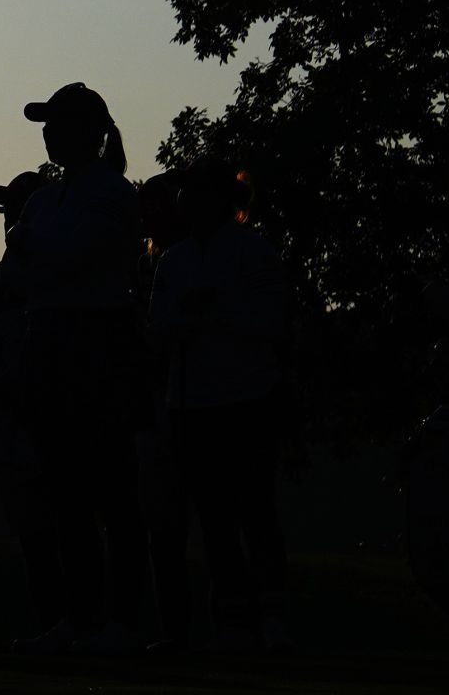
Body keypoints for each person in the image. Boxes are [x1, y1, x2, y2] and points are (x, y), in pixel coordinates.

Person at [7, 81, 150, 654]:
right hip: (52, 338)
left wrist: (37, 246)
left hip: (99, 341)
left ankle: (121, 621)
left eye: (58, 124)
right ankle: (80, 616)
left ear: (87, 133)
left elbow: (66, 254)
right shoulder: (48, 199)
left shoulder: (112, 192)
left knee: (112, 488)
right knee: (65, 489)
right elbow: (21, 262)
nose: (47, 135)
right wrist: (41, 247)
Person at [148, 163, 293, 649]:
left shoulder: (255, 254)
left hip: (247, 398)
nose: (185, 203)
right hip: (192, 403)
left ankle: (273, 617)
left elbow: (271, 324)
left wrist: (212, 312)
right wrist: (191, 320)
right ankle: (232, 620)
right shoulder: (174, 261)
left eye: (195, 194)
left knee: (254, 512)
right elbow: (158, 331)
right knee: (214, 519)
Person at [0, 171, 61, 642]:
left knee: (63, 533)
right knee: (32, 538)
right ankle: (51, 624)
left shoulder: (61, 280)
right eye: (7, 212)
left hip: (57, 425)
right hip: (9, 429)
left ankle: (73, 622)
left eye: (18, 210)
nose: (10, 221)